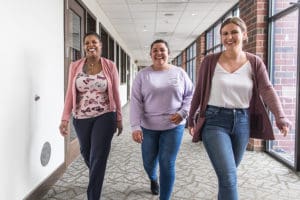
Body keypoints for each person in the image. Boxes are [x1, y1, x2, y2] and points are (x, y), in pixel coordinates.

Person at [188, 17, 291, 200]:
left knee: (228, 176)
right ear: (221, 37)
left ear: (244, 34)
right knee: (229, 177)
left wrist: (280, 116)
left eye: (234, 32)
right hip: (214, 121)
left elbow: (267, 89)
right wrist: (190, 118)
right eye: (225, 33)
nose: (229, 37)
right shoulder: (210, 61)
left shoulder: (254, 62)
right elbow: (199, 91)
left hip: (242, 122)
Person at [59, 32, 123, 200]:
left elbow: (116, 93)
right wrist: (65, 118)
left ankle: (93, 195)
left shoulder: (110, 65)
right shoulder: (75, 66)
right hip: (81, 118)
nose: (90, 45)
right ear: (84, 46)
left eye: (94, 42)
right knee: (87, 152)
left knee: (98, 155)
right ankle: (97, 173)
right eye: (87, 42)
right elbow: (70, 94)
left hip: (105, 115)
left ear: (100, 45)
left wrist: (119, 118)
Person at [130, 39, 194, 200]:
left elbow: (190, 95)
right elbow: (136, 102)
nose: (159, 53)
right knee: (149, 163)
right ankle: (153, 178)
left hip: (174, 126)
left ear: (168, 53)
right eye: (155, 50)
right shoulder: (142, 75)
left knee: (167, 163)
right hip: (148, 127)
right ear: (150, 54)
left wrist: (183, 112)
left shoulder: (179, 73)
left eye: (162, 50)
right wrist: (135, 127)